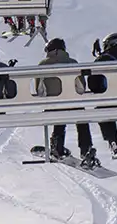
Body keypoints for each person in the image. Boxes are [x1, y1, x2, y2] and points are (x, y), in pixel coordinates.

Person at [37, 38, 100, 167]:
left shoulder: (43, 65)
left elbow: (40, 90)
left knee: (59, 120)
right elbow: (81, 87)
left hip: (54, 105)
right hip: (73, 104)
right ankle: (86, 149)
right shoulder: (73, 63)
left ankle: (57, 147)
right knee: (81, 120)